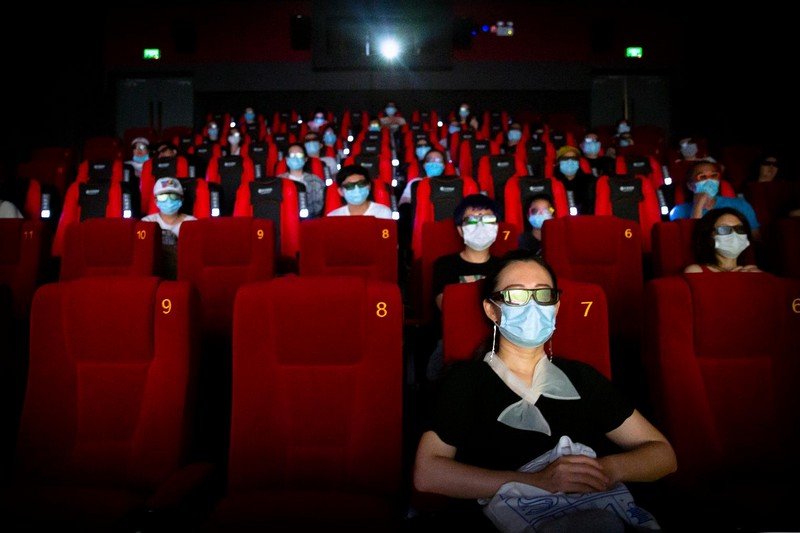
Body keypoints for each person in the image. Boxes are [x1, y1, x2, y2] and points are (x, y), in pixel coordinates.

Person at [413, 250, 677, 528]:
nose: (532, 306)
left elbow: (664, 455)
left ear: (556, 307)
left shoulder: (582, 377)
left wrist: (605, 470)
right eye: (516, 295)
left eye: (543, 295)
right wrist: (537, 482)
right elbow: (427, 473)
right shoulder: (466, 380)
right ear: (492, 310)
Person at [427, 194, 502, 381]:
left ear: (496, 227)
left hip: (498, 340)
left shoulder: (504, 267)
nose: (481, 225)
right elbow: (446, 306)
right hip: (455, 337)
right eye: (472, 220)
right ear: (460, 230)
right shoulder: (445, 265)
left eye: (488, 220)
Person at [670, 161, 760, 239]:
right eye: (702, 177)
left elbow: (755, 237)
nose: (709, 180)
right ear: (690, 186)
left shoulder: (740, 205)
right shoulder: (678, 211)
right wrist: (698, 205)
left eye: (714, 176)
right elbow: (690, 241)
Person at [142, 177, 197, 279]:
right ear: (155, 200)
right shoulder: (146, 223)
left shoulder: (192, 223)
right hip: (155, 275)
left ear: (181, 199)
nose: (169, 200)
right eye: (163, 197)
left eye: (173, 196)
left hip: (184, 274)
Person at [684, 207, 761, 273]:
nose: (734, 234)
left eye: (739, 229)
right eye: (724, 229)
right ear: (709, 236)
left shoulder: (752, 272)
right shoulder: (696, 271)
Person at [277, 143, 325, 218]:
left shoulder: (315, 180)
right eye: (291, 155)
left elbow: (318, 207)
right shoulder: (278, 181)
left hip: (309, 220)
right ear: (286, 159)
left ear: (305, 159)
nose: (295, 158)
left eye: (299, 155)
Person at [327, 164, 393, 219]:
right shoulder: (332, 217)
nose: (357, 189)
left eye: (361, 184)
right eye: (350, 186)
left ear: (369, 186)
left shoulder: (383, 213)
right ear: (340, 191)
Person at [552, 145, 596, 215]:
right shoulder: (552, 183)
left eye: (574, 158)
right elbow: (550, 208)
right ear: (558, 162)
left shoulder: (590, 181)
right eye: (565, 158)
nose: (570, 161)